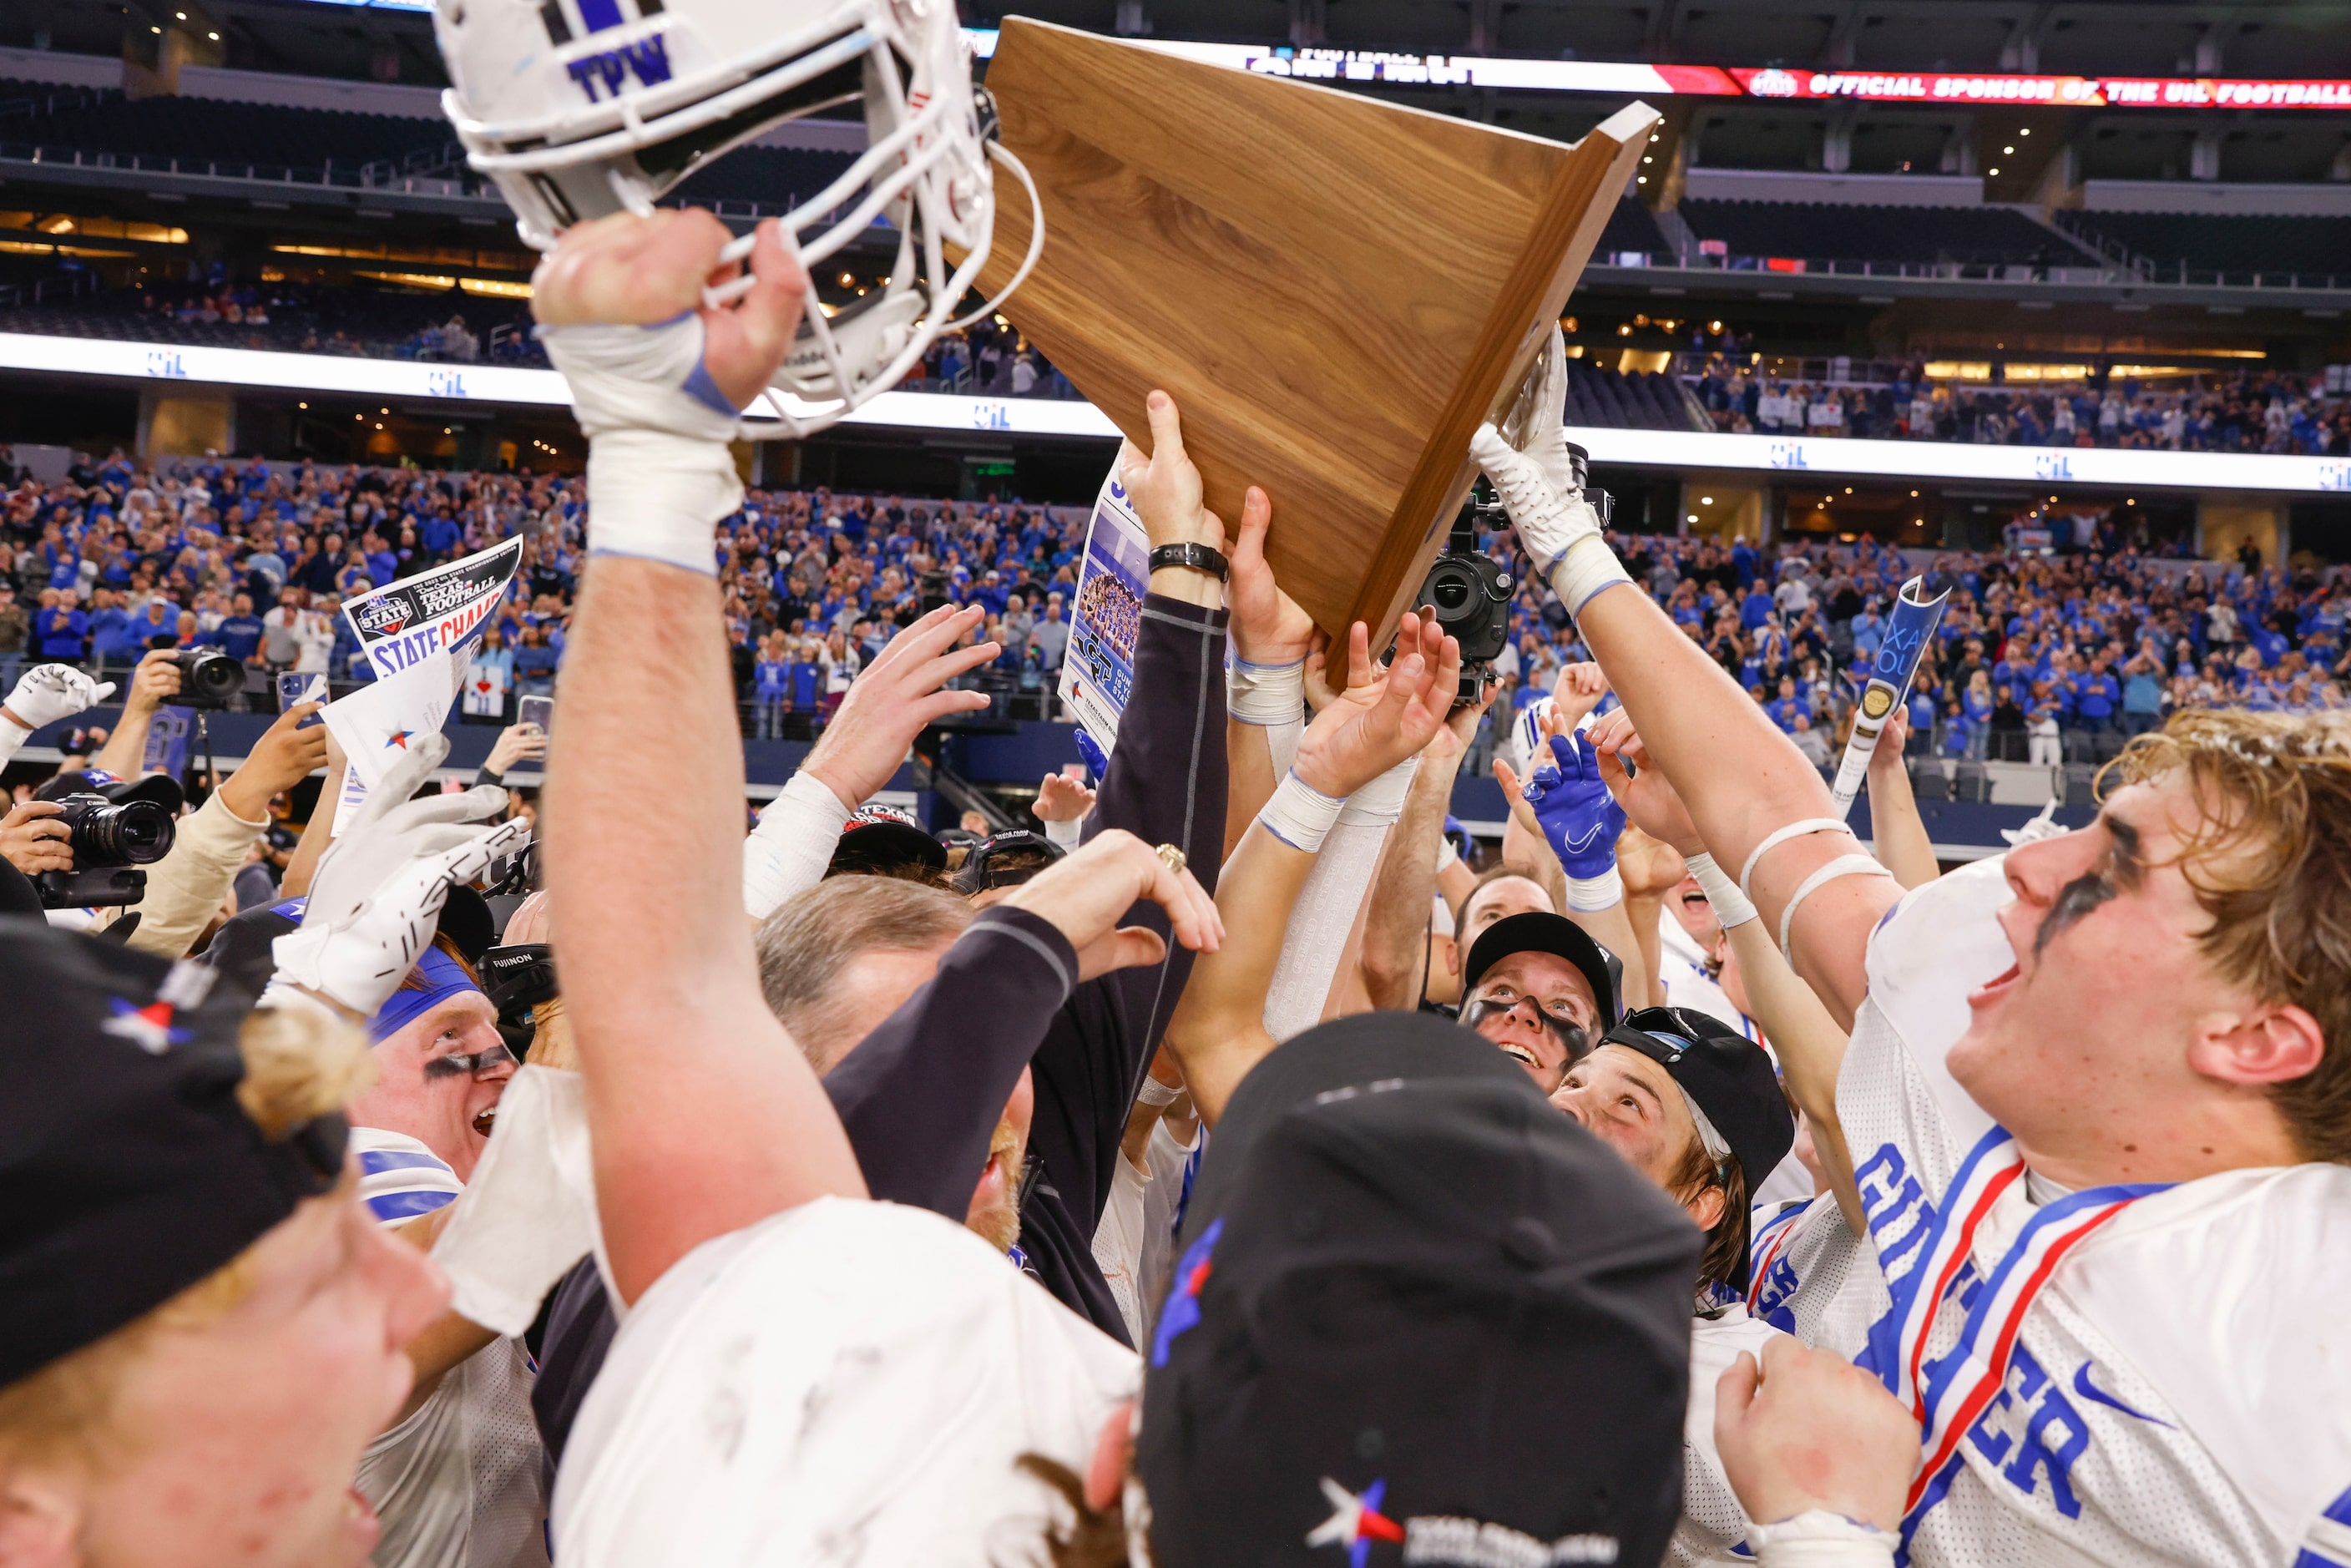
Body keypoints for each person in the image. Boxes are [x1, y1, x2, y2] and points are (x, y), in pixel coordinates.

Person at [1473, 325, 2351, 1565]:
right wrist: (1565, 535)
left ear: (2256, 1035)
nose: (2027, 868)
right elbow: (1779, 816)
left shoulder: (2301, 1373)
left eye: (2111, 874)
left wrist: (1825, 1540)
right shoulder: (1968, 988)